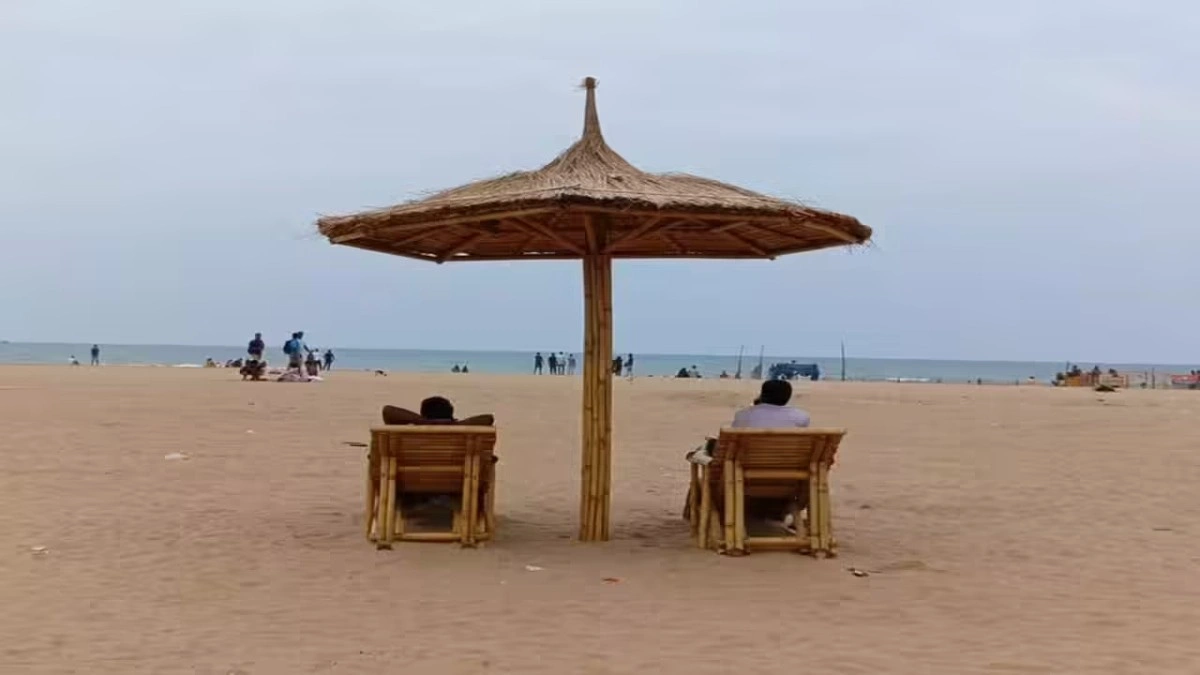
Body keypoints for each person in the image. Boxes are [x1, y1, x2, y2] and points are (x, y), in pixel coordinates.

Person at [688, 379, 811, 527]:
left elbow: (729, 447)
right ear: (788, 397)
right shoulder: (801, 417)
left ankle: (696, 519)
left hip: (744, 480)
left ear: (763, 394)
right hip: (788, 481)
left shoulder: (744, 415)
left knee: (706, 474)